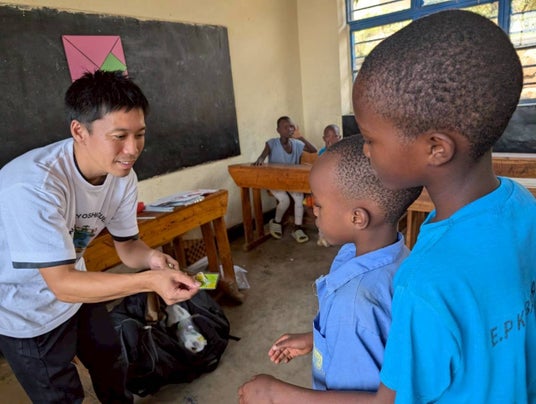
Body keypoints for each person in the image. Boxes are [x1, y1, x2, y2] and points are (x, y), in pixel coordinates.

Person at [0, 70, 201, 403]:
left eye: (140, 134)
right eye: (119, 136)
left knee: (111, 360)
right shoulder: (34, 186)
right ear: (79, 131)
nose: (132, 149)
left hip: (78, 290)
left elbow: (128, 246)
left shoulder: (122, 177)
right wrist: (149, 281)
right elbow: (61, 285)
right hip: (26, 310)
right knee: (61, 395)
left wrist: (151, 258)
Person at [238, 136, 422, 403]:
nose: (313, 210)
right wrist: (315, 338)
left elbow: (370, 399)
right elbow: (379, 336)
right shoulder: (396, 255)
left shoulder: (354, 302)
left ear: (357, 217)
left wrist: (276, 394)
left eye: (319, 204)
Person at [253, 116, 317, 243]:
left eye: (291, 126)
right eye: (285, 127)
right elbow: (262, 157)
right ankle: (276, 222)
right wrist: (260, 160)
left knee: (299, 198)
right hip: (275, 181)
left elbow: (313, 150)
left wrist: (300, 137)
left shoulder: (297, 144)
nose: (289, 129)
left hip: (292, 181)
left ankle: (297, 228)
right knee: (285, 200)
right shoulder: (272, 143)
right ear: (278, 130)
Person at [316, 123, 342, 246]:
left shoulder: (343, 152)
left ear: (340, 138)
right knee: (322, 212)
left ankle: (338, 236)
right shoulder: (322, 153)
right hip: (324, 190)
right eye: (328, 136)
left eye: (335, 136)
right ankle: (322, 236)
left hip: (339, 190)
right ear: (323, 138)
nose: (331, 139)